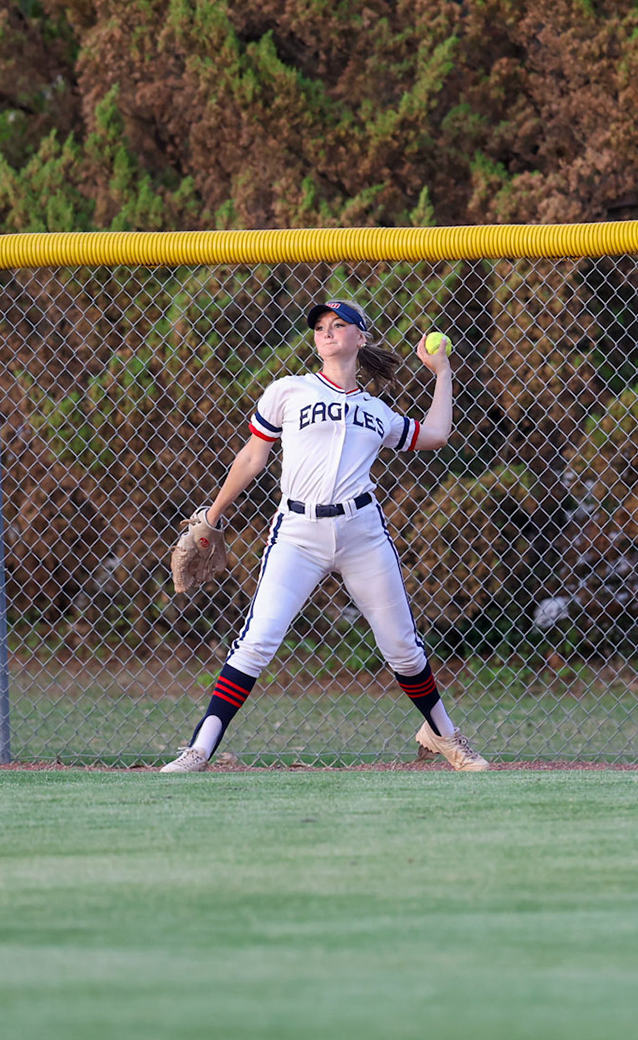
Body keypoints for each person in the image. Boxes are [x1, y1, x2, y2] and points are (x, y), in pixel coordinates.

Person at [161, 298, 489, 773]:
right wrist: (211, 517)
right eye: (320, 326)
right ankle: (200, 748)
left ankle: (444, 735)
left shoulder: (378, 411)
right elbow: (253, 457)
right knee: (257, 641)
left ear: (360, 337)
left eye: (339, 325)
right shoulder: (288, 391)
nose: (327, 331)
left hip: (362, 532)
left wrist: (442, 370)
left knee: (402, 647)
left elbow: (436, 433)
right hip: (297, 532)